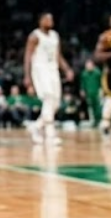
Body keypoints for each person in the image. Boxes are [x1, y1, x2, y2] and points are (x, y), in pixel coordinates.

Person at [23, 12, 74, 146]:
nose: (49, 21)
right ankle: (50, 135)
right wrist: (27, 76)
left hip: (53, 69)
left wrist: (67, 69)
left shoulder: (55, 35)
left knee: (55, 103)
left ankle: (37, 127)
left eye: (51, 19)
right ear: (40, 21)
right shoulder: (35, 36)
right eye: (46, 19)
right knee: (48, 98)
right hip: (40, 69)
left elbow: (58, 55)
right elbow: (28, 57)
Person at [80, 59, 102, 126]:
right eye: (87, 65)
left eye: (89, 65)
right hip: (89, 94)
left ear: (93, 65)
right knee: (90, 108)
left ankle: (99, 120)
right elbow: (82, 83)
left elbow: (101, 82)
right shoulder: (84, 74)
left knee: (98, 108)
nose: (88, 66)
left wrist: (101, 91)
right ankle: (93, 121)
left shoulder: (97, 72)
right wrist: (82, 90)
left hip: (97, 93)